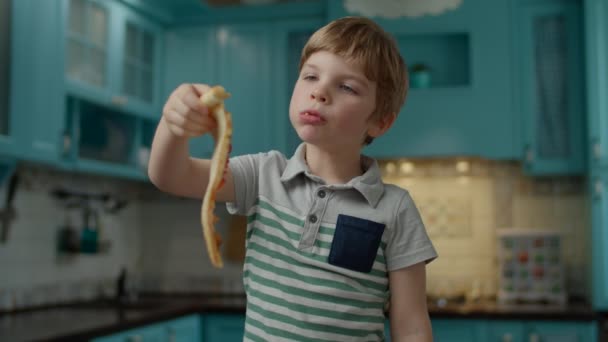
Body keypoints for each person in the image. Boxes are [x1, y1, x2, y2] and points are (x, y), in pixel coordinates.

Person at [149, 16, 437, 342]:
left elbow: (411, 325)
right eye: (310, 76)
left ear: (380, 122)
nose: (320, 92)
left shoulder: (395, 209)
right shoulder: (262, 175)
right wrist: (173, 127)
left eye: (346, 87)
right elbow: (171, 176)